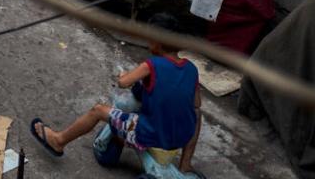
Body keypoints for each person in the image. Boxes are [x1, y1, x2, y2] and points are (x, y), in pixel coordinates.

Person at [30, 42, 202, 171]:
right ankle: (185, 163)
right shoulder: (191, 69)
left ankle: (58, 141)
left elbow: (122, 83)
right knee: (195, 114)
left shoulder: (152, 64)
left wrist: (124, 75)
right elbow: (196, 107)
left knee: (98, 111)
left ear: (157, 41)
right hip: (181, 135)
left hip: (152, 133)